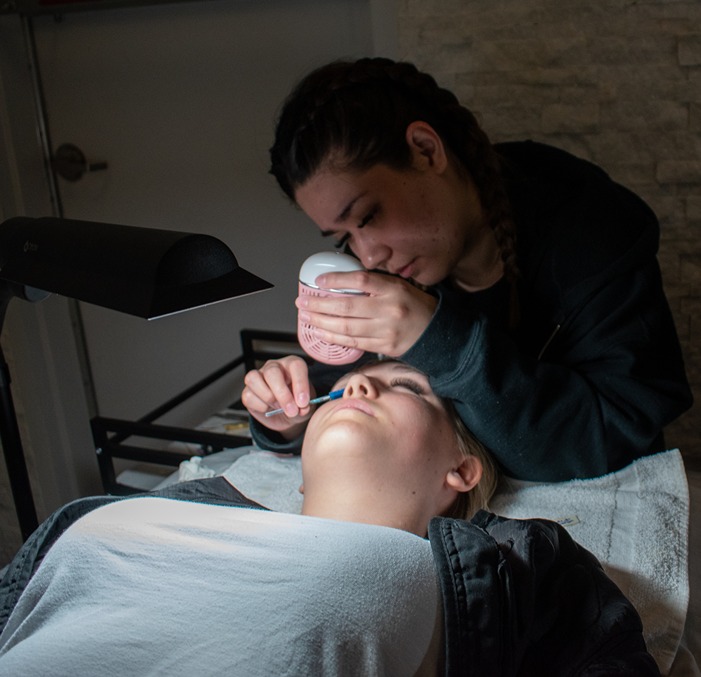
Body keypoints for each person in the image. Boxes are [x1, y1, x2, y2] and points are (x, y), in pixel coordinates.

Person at [0, 360, 658, 674]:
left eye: (405, 387)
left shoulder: (506, 564)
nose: (358, 385)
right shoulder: (183, 504)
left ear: (460, 471)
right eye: (346, 385)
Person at [244, 56, 693, 482]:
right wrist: (287, 413)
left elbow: (615, 439)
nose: (369, 256)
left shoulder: (590, 229)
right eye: (343, 237)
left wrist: (441, 342)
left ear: (426, 150)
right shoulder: (386, 262)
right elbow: (346, 382)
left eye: (368, 216)